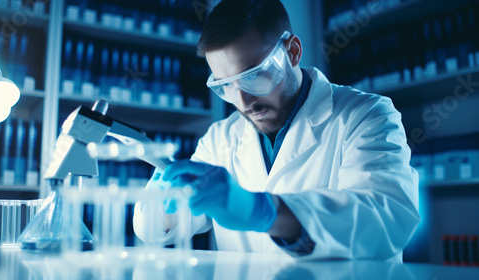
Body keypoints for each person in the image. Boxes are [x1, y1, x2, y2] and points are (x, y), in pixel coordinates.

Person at [134, 0, 420, 261]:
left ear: (292, 51)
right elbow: (152, 230)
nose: (243, 102)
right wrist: (165, 202)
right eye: (226, 85)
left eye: (254, 76)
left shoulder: (366, 115)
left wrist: (264, 211)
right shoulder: (219, 139)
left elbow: (386, 219)